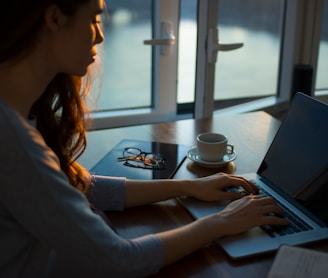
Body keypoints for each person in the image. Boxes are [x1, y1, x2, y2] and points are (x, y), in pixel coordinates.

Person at [0, 0, 289, 277]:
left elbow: (76, 186)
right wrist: (222, 222)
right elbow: (119, 259)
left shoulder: (14, 116)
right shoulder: (15, 144)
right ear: (54, 18)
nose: (99, 36)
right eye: (93, 19)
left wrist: (189, 187)